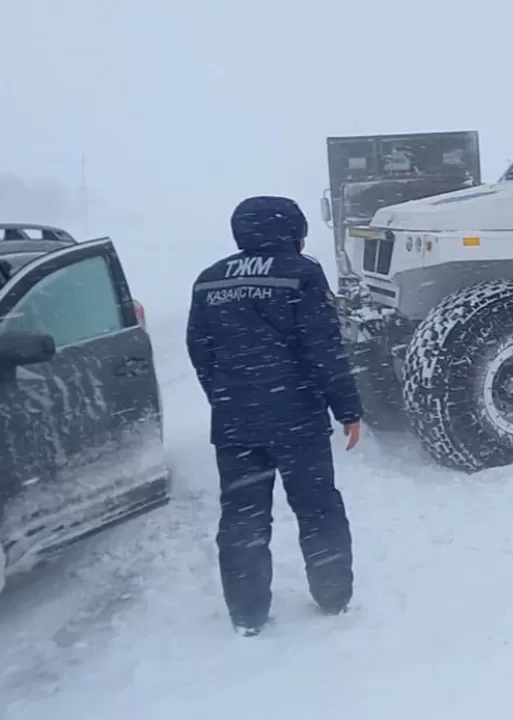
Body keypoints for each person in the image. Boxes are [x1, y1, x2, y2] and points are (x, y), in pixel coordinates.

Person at [185, 195, 363, 637]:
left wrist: (227, 397)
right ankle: (333, 596)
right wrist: (347, 408)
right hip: (297, 418)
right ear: (293, 232)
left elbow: (199, 350)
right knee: (318, 508)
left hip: (235, 423)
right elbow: (323, 348)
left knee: (243, 515)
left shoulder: (209, 280)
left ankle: (247, 613)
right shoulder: (301, 274)